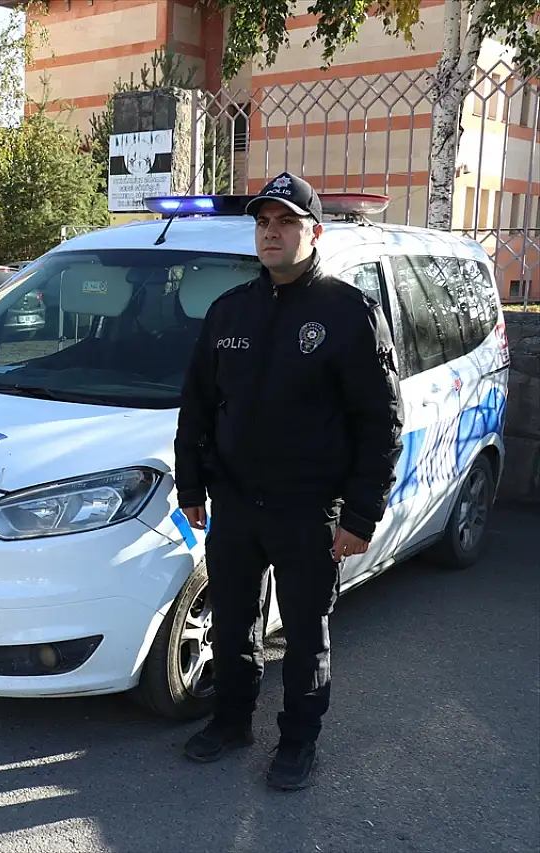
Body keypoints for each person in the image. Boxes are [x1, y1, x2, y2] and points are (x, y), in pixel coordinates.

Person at [173, 172, 404, 791]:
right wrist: (191, 487)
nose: (271, 234)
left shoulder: (348, 312)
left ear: (314, 232)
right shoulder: (230, 310)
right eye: (263, 223)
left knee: (305, 634)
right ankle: (232, 721)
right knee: (233, 622)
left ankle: (298, 742)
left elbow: (379, 422)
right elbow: (196, 405)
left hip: (309, 511)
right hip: (236, 505)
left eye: (286, 223)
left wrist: (360, 516)